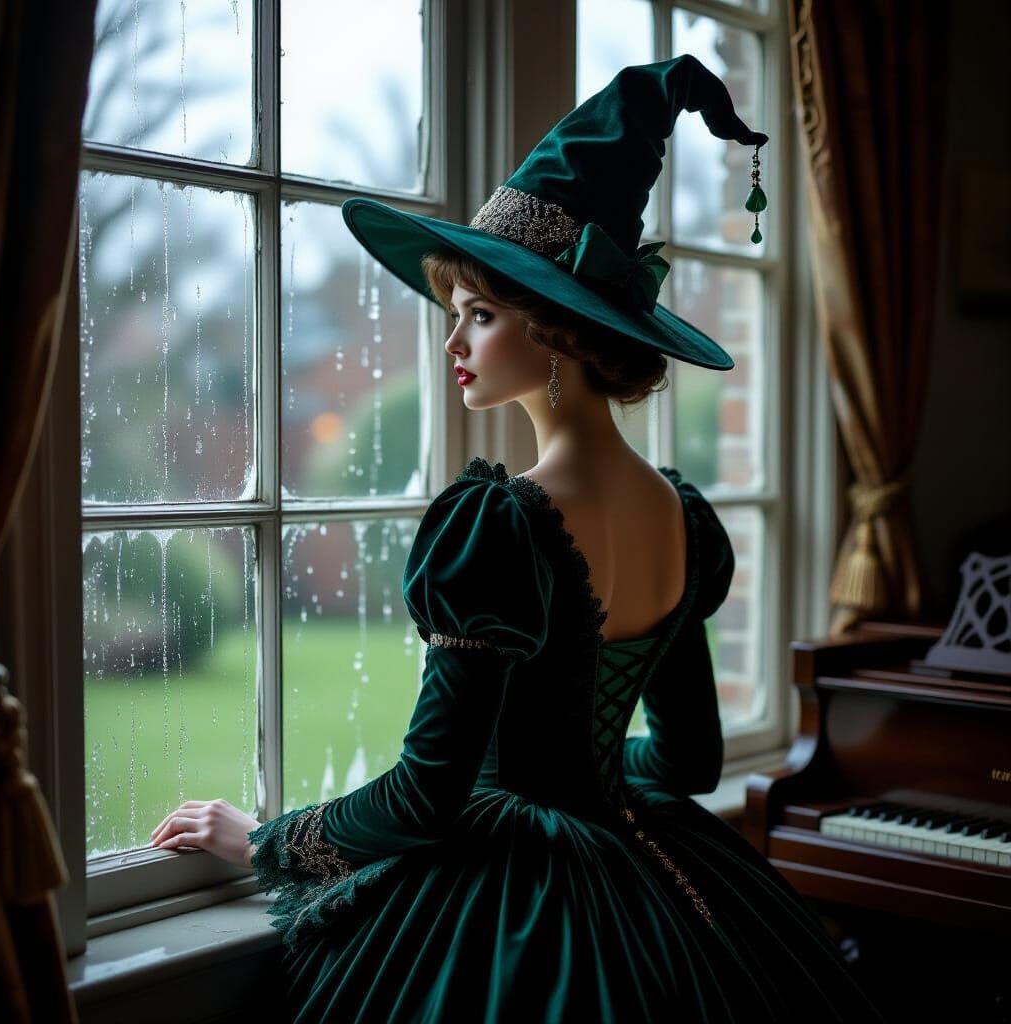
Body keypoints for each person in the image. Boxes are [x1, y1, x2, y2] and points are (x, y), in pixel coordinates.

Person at [149, 56, 886, 1022]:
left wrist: (262, 841)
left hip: (519, 914)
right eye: (457, 315)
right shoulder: (683, 517)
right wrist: (576, 781)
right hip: (676, 887)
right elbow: (687, 763)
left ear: (561, 335)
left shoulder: (499, 525)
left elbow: (427, 795)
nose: (453, 345)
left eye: (481, 316)